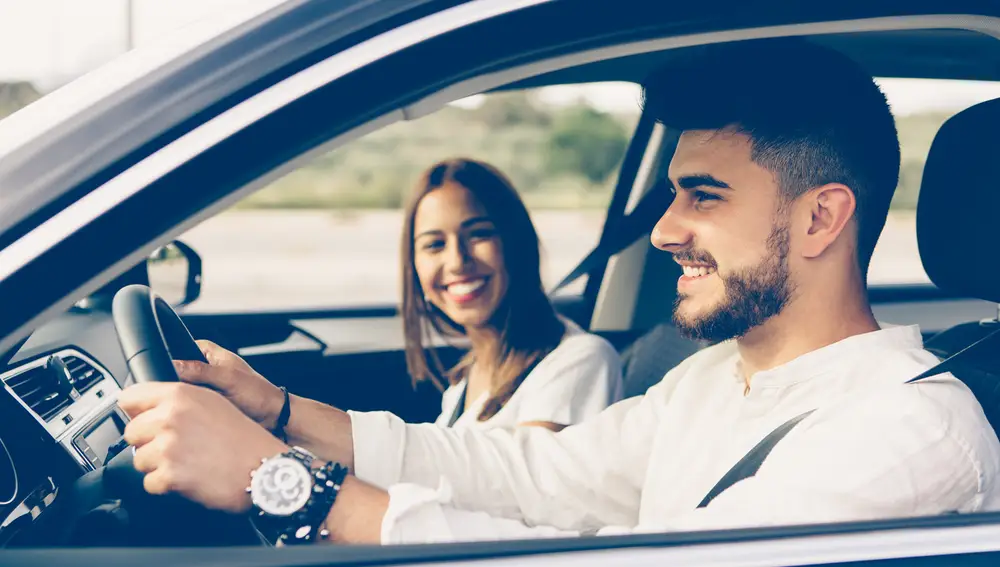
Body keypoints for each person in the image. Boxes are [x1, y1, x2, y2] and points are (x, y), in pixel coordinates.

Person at [118, 37, 1000, 546]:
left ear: (819, 220)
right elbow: (533, 473)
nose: (663, 231)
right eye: (671, 194)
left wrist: (290, 485)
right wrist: (278, 411)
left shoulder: (908, 431)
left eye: (704, 195)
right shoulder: (711, 380)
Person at [399, 158, 622, 431]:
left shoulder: (580, 360)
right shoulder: (464, 381)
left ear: (516, 243)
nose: (457, 261)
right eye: (434, 244)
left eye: (479, 234)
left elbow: (526, 473)